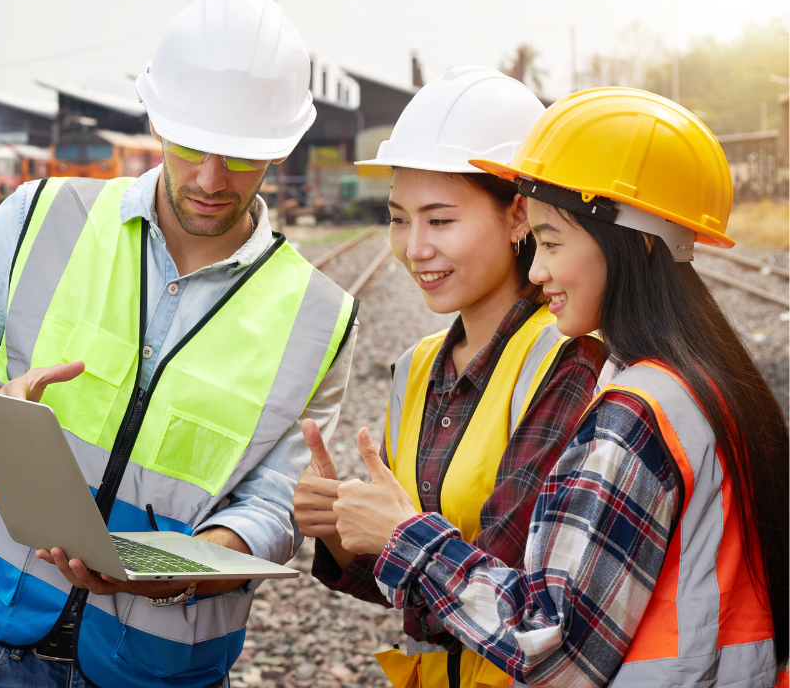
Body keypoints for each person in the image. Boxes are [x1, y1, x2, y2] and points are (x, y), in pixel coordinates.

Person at [0, 0, 358, 688]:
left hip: (159, 664)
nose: (210, 179)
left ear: (279, 149)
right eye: (193, 146)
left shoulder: (321, 317)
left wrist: (172, 577)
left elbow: (271, 508)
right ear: (158, 121)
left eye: (240, 156)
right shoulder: (42, 217)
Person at [331, 87, 788, 687]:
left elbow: (552, 647)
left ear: (635, 242)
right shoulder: (711, 382)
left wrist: (400, 535)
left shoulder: (636, 413)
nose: (538, 268)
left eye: (550, 242)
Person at [293, 66, 607, 688]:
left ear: (519, 216)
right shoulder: (418, 367)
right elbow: (407, 583)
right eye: (399, 218)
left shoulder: (569, 361)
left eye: (440, 221)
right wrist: (340, 529)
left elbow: (512, 588)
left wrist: (393, 533)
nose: (414, 248)